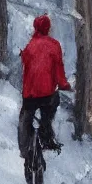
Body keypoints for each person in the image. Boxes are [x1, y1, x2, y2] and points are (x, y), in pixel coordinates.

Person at [18, 14, 71, 165]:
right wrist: (64, 85)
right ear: (48, 28)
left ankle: (24, 149)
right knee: (48, 111)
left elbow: (26, 63)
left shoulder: (30, 45)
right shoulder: (54, 45)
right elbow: (59, 70)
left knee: (25, 119)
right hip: (47, 94)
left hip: (30, 94)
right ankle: (46, 137)